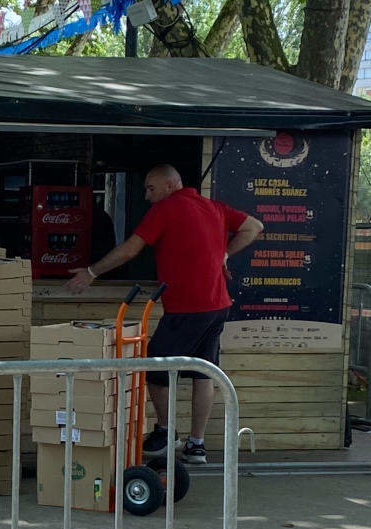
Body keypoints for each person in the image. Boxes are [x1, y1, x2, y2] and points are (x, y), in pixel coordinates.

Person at [64, 164, 263, 464]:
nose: (146, 196)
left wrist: (91, 272)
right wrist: (225, 253)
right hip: (217, 304)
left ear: (171, 185)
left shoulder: (167, 208)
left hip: (188, 307)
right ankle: (196, 445)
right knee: (203, 372)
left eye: (150, 188)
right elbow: (254, 226)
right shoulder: (213, 206)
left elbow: (131, 249)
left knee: (156, 368)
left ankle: (166, 432)